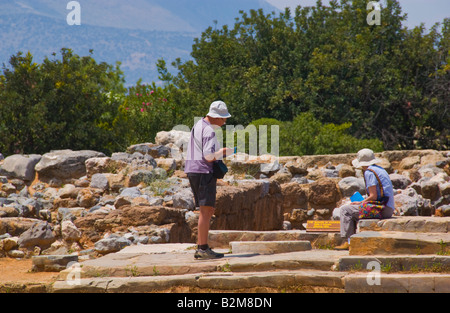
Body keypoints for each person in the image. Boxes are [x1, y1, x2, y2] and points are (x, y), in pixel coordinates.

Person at [185, 100, 234, 260]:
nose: (224, 122)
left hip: (193, 170)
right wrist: (224, 152)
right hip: (203, 171)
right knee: (205, 212)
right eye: (223, 118)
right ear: (215, 117)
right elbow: (209, 156)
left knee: (206, 210)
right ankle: (202, 248)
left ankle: (202, 247)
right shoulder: (210, 131)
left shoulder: (197, 125)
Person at [335, 148, 395, 250]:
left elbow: (373, 196)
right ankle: (352, 239)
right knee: (353, 208)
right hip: (387, 206)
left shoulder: (369, 172)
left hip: (381, 209)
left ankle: (347, 242)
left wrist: (361, 202)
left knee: (345, 210)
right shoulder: (380, 169)